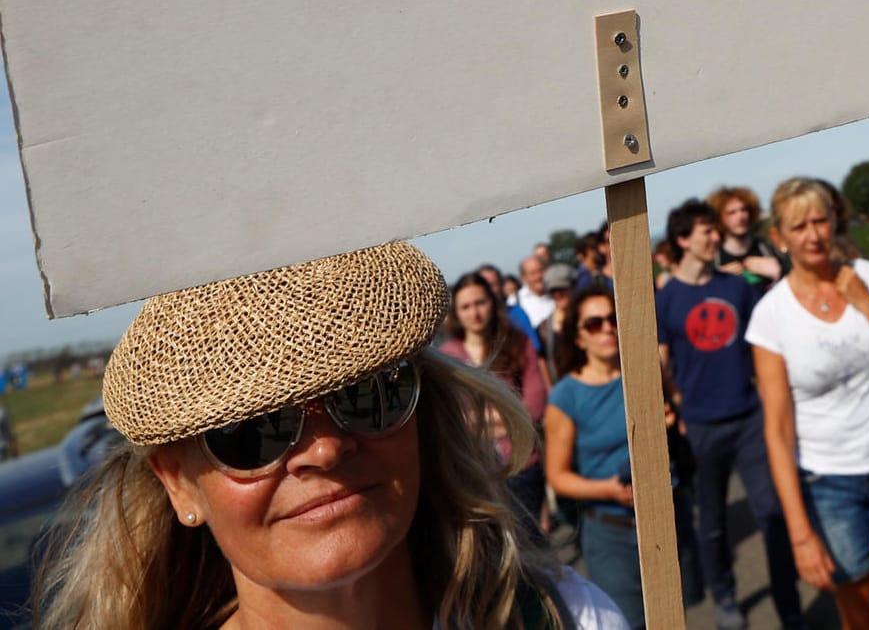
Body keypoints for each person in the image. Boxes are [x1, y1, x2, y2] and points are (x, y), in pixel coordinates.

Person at [32, 242, 626, 630]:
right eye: (253, 432)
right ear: (179, 485)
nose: (324, 447)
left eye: (367, 393)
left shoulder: (571, 619)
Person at [746, 177, 869, 630]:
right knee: (863, 621)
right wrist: (800, 534)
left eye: (820, 220)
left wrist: (866, 304)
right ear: (779, 238)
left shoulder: (867, 277)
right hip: (827, 481)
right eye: (799, 226)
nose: (813, 234)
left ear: (835, 220)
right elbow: (777, 433)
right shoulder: (770, 317)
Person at [657, 199, 804, 630]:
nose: (716, 238)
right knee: (713, 523)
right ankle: (725, 599)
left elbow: (763, 345)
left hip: (749, 418)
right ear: (683, 239)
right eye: (707, 231)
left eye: (716, 230)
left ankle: (790, 608)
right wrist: (675, 406)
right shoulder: (665, 299)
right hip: (700, 426)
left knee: (771, 513)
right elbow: (662, 361)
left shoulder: (737, 287)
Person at [547, 285, 699, 628]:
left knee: (674, 617)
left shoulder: (645, 369)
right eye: (594, 323)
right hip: (611, 531)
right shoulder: (566, 396)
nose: (608, 329)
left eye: (613, 319)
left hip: (668, 515)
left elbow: (678, 420)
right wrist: (609, 491)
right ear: (578, 337)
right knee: (627, 622)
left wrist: (671, 425)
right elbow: (557, 477)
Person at [439, 272, 549, 520]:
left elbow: (534, 405)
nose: (474, 313)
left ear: (492, 302)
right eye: (466, 306)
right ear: (456, 312)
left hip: (520, 463)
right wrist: (507, 415)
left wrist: (478, 421)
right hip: (474, 470)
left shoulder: (517, 342)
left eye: (480, 303)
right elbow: (451, 422)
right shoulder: (446, 358)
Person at [708, 186, 785, 289]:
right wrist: (716, 279)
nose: (740, 217)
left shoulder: (768, 248)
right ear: (720, 218)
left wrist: (779, 272)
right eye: (732, 212)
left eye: (743, 210)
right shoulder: (713, 257)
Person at [515, 251, 558, 332]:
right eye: (533, 273)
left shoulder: (559, 294)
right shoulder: (515, 302)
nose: (539, 276)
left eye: (541, 271)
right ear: (524, 278)